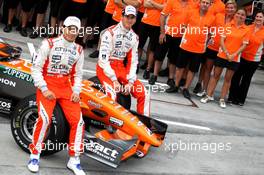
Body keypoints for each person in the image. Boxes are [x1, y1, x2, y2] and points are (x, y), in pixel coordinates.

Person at [28, 16, 85, 175]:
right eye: (69, 28)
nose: (72, 32)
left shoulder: (79, 50)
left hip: (66, 87)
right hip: (48, 83)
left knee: (78, 122)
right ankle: (34, 155)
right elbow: (36, 68)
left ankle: (74, 159)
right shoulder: (49, 43)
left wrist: (76, 91)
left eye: (75, 30)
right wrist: (44, 88)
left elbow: (78, 75)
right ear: (63, 28)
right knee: (45, 118)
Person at [96, 5, 150, 116]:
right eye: (127, 17)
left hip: (121, 68)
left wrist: (130, 82)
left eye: (132, 17)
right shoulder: (110, 33)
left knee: (144, 92)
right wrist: (114, 80)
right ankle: (109, 125)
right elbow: (103, 60)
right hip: (105, 68)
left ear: (135, 19)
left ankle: (145, 124)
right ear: (122, 16)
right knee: (112, 93)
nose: (129, 20)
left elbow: (133, 61)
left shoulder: (134, 37)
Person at [201, 8, 250, 108]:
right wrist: (227, 53)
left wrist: (233, 55)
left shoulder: (247, 29)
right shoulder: (227, 25)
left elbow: (244, 45)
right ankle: (209, 95)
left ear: (245, 17)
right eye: (238, 14)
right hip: (222, 55)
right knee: (215, 76)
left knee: (228, 79)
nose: (240, 16)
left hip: (234, 58)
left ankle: (222, 99)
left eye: (242, 15)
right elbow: (222, 41)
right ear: (235, 14)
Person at [165, 0, 215, 99]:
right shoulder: (191, 12)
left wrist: (203, 41)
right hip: (185, 45)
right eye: (203, 2)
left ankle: (186, 88)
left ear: (210, 5)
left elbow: (210, 33)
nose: (205, 4)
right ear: (199, 3)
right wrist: (188, 37)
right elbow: (184, 26)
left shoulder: (212, 18)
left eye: (207, 3)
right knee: (180, 67)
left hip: (199, 49)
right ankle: (176, 85)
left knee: (192, 70)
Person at [195, 0, 237, 97]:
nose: (230, 9)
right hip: (212, 47)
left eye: (232, 8)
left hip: (224, 51)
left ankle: (211, 92)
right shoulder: (218, 16)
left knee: (216, 73)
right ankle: (204, 90)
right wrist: (206, 42)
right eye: (228, 7)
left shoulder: (236, 20)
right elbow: (210, 30)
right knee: (207, 68)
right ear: (225, 8)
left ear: (235, 9)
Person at [148, 0, 193, 86]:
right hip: (167, 33)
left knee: (173, 58)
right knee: (159, 56)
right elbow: (162, 16)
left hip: (180, 36)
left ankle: (171, 78)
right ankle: (154, 75)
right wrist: (162, 32)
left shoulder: (193, 5)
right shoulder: (172, 2)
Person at [228, 11, 264, 106]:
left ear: (263, 19)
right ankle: (231, 97)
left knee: (246, 80)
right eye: (257, 16)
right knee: (236, 77)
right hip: (242, 57)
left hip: (254, 60)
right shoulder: (247, 28)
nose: (258, 18)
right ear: (254, 17)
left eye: (261, 17)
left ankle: (240, 99)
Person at [139, 0, 165, 80]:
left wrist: (152, 3)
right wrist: (158, 6)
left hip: (157, 24)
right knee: (139, 45)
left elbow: (164, 8)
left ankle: (148, 69)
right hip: (145, 21)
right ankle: (135, 65)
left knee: (152, 49)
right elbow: (145, 4)